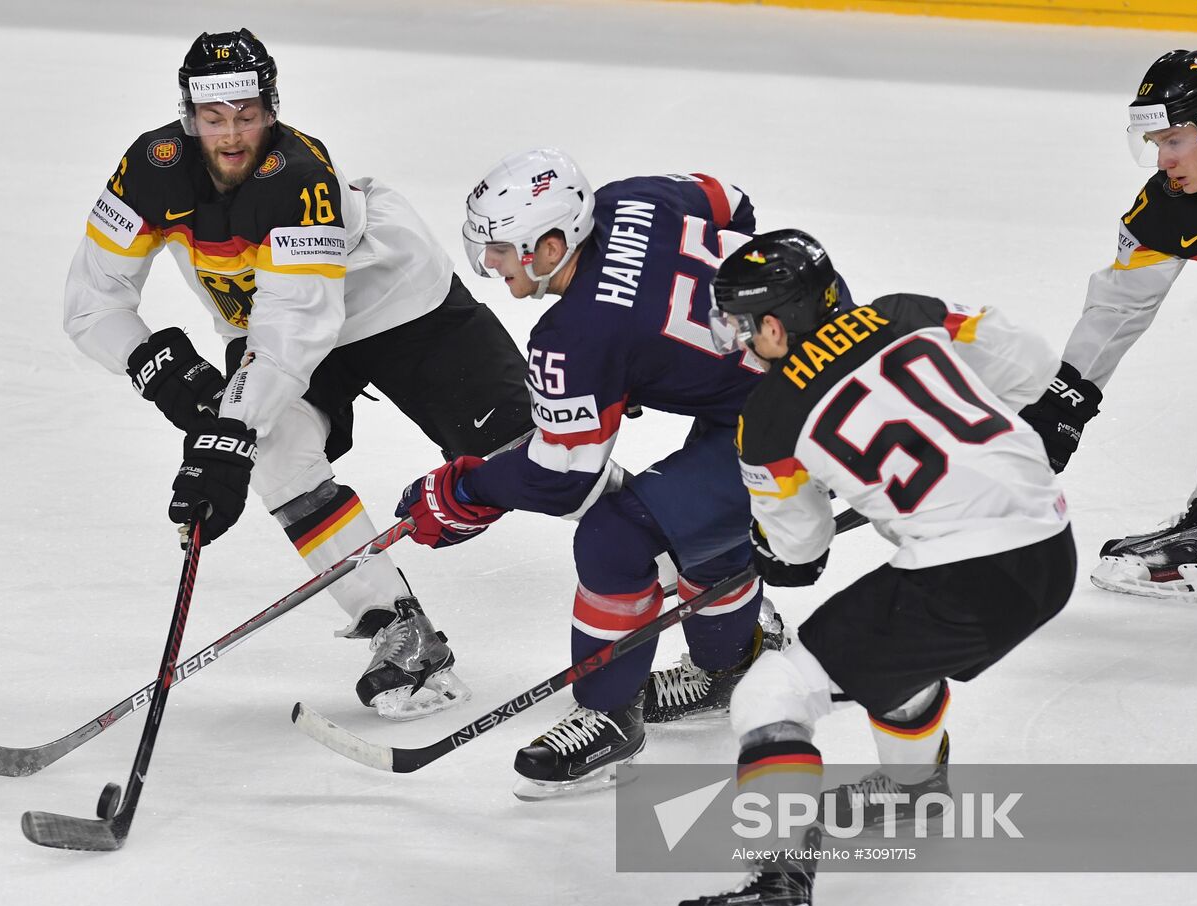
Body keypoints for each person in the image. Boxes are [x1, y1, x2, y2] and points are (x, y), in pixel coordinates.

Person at [62, 29, 533, 719]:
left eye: (247, 116)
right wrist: (160, 372)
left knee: (533, 452)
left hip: (395, 301)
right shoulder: (150, 169)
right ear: (189, 116)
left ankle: (698, 568)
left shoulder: (299, 176)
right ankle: (399, 627)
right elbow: (91, 302)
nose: (231, 136)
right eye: (214, 118)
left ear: (271, 108)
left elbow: (294, 330)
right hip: (274, 324)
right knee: (278, 453)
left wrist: (226, 434)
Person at [394, 148, 853, 799]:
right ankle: (731, 665)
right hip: (818, 338)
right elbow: (731, 203)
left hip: (790, 424)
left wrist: (467, 488)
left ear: (552, 244)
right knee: (700, 523)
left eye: (501, 248)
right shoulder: (634, 198)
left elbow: (564, 477)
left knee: (616, 535)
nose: (491, 263)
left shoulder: (576, 334)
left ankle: (610, 718)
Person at [668, 231, 1075, 906]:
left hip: (965, 577)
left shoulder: (767, 416)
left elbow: (800, 551)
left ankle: (776, 890)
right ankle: (916, 790)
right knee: (885, 645)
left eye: (737, 323)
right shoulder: (907, 311)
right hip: (1050, 546)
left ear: (773, 325)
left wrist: (770, 546)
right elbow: (1034, 365)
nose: (736, 342)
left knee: (773, 693)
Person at [1020, 48, 1197, 604]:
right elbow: (1118, 308)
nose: (1163, 162)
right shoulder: (1167, 210)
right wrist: (1060, 405)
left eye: (1174, 141)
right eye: (1155, 145)